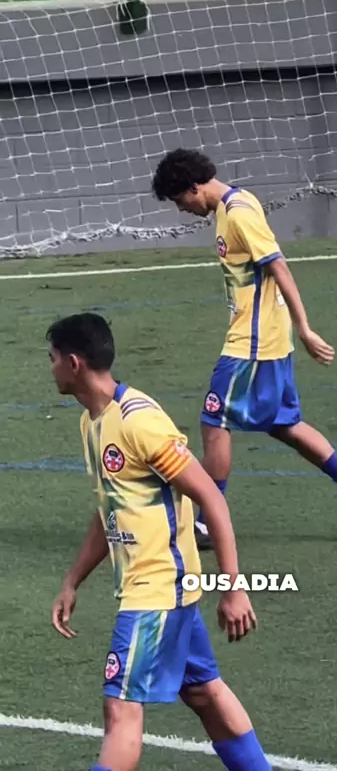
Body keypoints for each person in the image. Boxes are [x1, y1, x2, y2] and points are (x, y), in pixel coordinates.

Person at [47, 312, 272, 771]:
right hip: (163, 590)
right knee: (203, 692)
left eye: (52, 358)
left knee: (121, 709)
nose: (49, 368)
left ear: (73, 363)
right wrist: (72, 581)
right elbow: (110, 508)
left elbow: (212, 498)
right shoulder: (92, 422)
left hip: (156, 592)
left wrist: (233, 588)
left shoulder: (140, 421)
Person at [152, 148, 337, 549]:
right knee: (283, 423)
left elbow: (279, 266)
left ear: (193, 188)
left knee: (215, 419)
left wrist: (305, 328)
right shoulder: (232, 205)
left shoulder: (239, 214)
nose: (182, 210)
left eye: (179, 200)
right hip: (267, 339)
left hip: (253, 343)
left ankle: (208, 523)